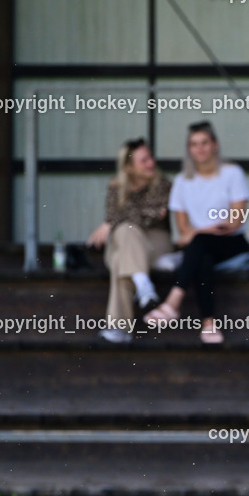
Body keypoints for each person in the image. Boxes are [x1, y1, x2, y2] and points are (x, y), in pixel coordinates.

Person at [143, 121, 249, 344]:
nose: (200, 148)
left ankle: (173, 302)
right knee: (203, 257)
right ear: (189, 149)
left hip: (231, 242)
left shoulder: (232, 173)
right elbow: (182, 228)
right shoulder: (183, 181)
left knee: (200, 242)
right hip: (200, 246)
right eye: (194, 144)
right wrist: (200, 232)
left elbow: (235, 221)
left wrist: (199, 231)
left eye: (204, 143)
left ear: (215, 145)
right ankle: (209, 324)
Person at [86, 138, 172, 344]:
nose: (151, 163)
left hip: (155, 242)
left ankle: (119, 328)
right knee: (126, 232)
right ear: (129, 167)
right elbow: (132, 216)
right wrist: (118, 221)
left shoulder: (164, 184)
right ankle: (142, 281)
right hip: (125, 241)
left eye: (150, 157)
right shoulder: (116, 186)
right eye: (144, 160)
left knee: (120, 258)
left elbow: (153, 215)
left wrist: (112, 222)